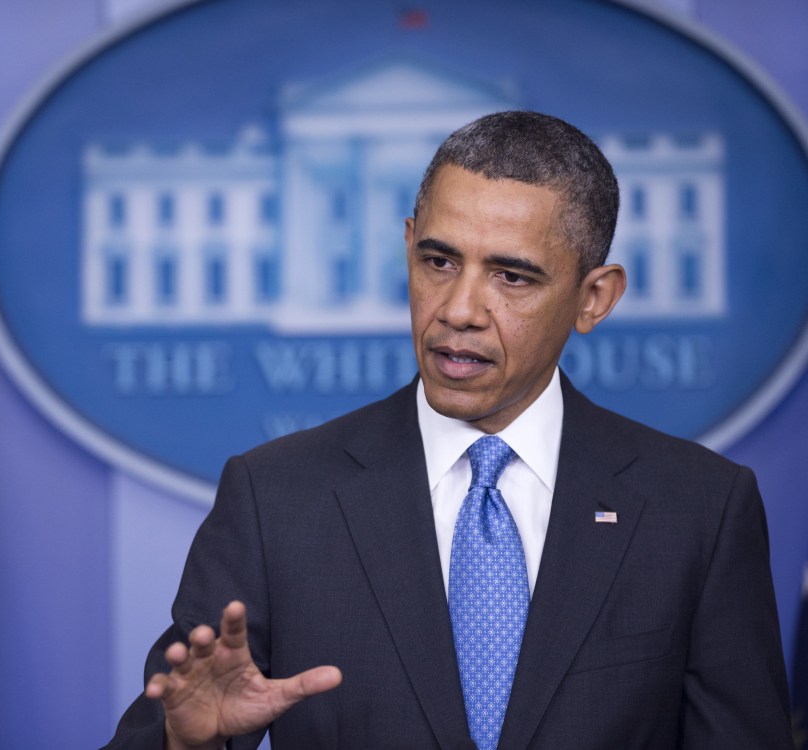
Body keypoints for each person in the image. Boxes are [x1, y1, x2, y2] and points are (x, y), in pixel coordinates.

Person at [103, 111, 792, 750]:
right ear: (408, 245)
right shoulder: (275, 498)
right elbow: (171, 724)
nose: (459, 309)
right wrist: (184, 743)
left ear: (593, 298)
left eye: (511, 277)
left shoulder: (699, 510)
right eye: (439, 262)